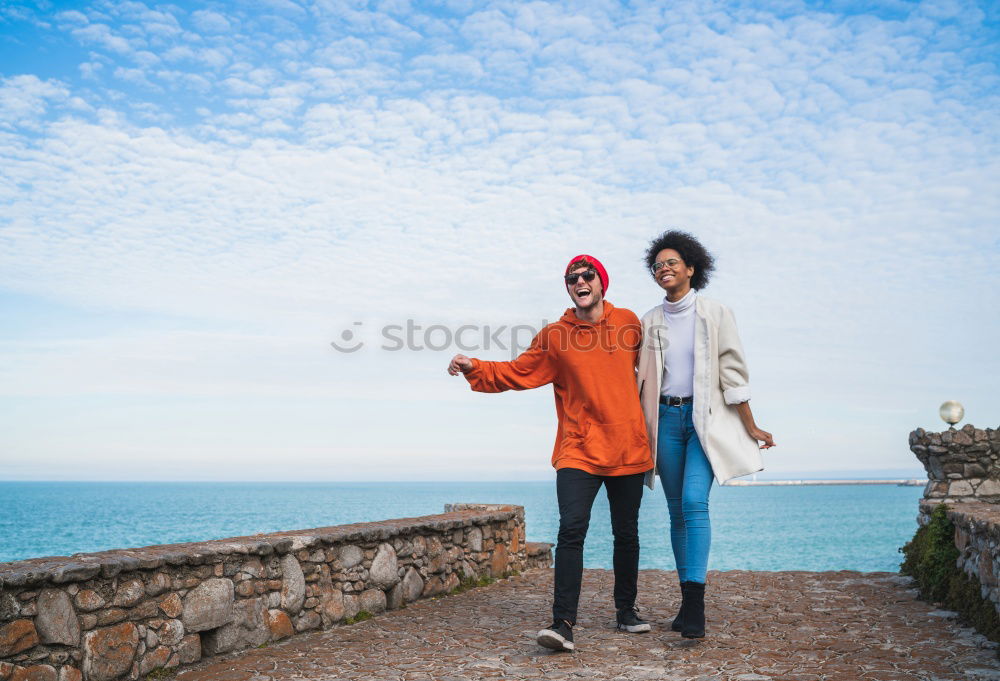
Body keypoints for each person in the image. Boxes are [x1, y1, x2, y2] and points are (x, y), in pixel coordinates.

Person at [448, 255, 654, 652]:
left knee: (626, 534)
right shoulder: (555, 337)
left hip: (628, 447)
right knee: (571, 531)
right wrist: (475, 366)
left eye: (587, 275)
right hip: (578, 450)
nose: (580, 281)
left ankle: (626, 612)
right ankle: (563, 624)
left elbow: (658, 368)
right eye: (572, 278)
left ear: (601, 282)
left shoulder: (630, 323)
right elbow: (517, 371)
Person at [636, 230, 775, 639]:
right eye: (658, 265)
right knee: (677, 510)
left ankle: (694, 605)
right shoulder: (649, 321)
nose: (664, 269)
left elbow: (733, 374)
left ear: (692, 268)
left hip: (704, 423)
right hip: (664, 423)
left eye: (671, 262)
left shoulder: (715, 313)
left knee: (695, 503)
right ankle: (685, 600)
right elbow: (640, 381)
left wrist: (751, 425)